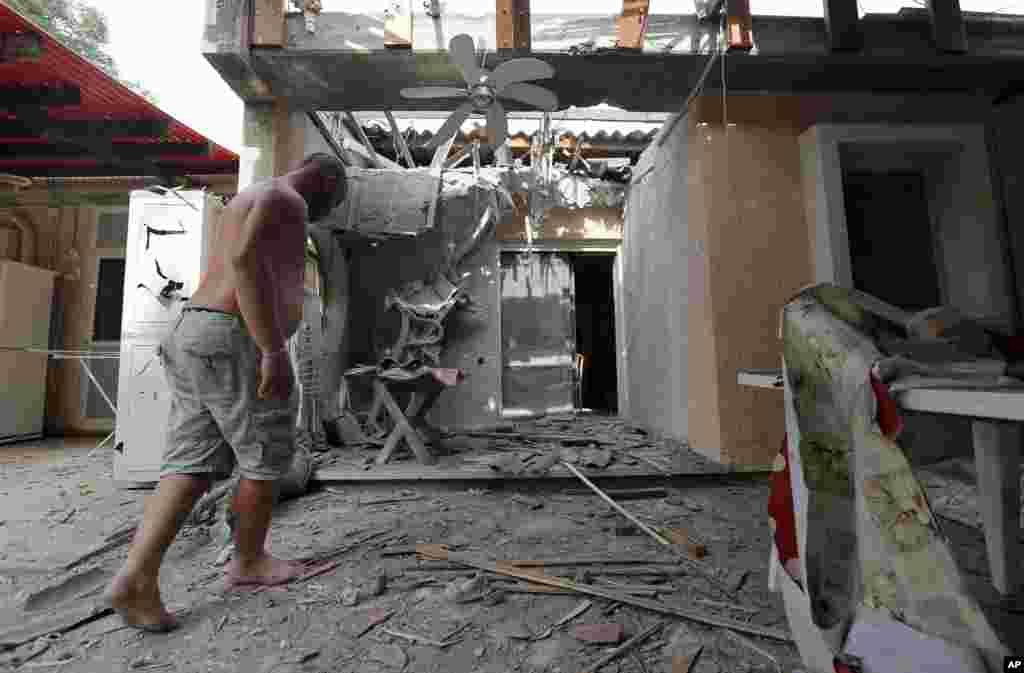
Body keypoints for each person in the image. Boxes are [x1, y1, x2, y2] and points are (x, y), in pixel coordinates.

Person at [105, 153, 347, 632]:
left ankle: (135, 576)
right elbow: (243, 262)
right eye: (333, 201)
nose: (324, 213)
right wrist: (274, 350)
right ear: (325, 179)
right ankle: (249, 561)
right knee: (266, 454)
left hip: (197, 331)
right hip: (234, 337)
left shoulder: (256, 194)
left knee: (190, 462)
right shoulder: (287, 198)